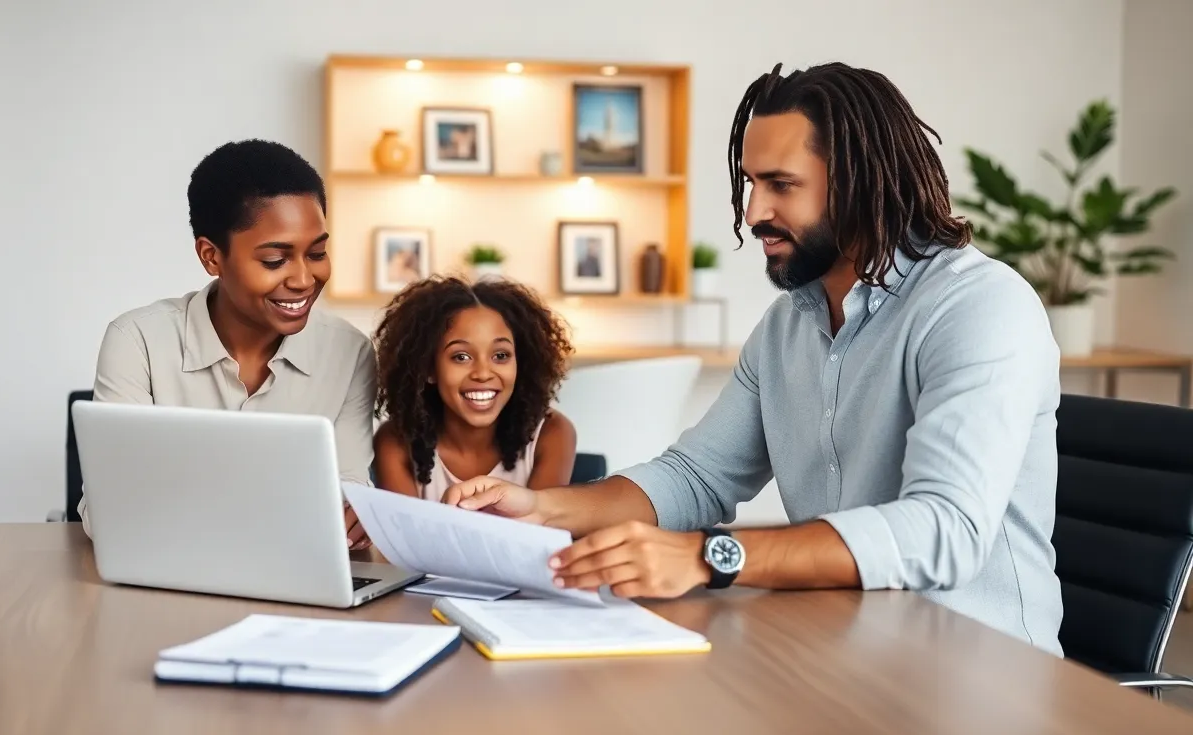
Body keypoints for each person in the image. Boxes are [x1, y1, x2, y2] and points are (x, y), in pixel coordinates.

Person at [445, 62, 1065, 656]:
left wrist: (707, 556)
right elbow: (697, 477)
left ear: (856, 180)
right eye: (750, 182)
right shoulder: (788, 325)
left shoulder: (979, 306)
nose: (753, 212)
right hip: (846, 651)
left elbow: (945, 530)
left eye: (781, 185)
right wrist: (542, 507)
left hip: (979, 678)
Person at [79, 139, 376, 550]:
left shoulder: (351, 354)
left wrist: (353, 511)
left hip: (295, 573)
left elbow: (345, 497)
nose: (304, 279)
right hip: (167, 572)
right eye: (275, 260)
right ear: (211, 257)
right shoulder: (138, 342)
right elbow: (109, 509)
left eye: (318, 252)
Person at [372, 276, 578, 502]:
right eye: (461, 357)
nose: (483, 373)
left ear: (521, 362)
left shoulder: (552, 433)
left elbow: (541, 532)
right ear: (428, 368)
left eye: (500, 356)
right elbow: (402, 535)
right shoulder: (395, 442)